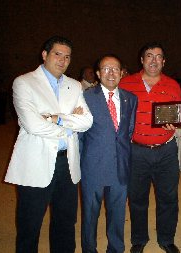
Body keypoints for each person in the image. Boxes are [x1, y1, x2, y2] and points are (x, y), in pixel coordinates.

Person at [4, 36, 93, 253]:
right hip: (36, 162)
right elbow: (33, 125)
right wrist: (72, 123)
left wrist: (56, 118)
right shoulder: (24, 82)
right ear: (44, 55)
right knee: (30, 225)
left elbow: (87, 121)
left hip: (67, 165)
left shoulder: (74, 85)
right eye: (57, 54)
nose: (62, 60)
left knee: (65, 223)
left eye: (67, 56)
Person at [119, 42, 181, 253]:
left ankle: (166, 239)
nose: (154, 60)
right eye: (149, 56)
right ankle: (139, 239)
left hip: (166, 151)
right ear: (142, 60)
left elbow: (180, 116)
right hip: (136, 151)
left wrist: (176, 122)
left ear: (164, 61)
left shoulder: (173, 85)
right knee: (137, 198)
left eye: (158, 56)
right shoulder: (126, 84)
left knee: (168, 198)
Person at [79, 55, 137, 252]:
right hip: (93, 166)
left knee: (117, 214)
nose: (111, 73)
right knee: (90, 214)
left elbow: (127, 132)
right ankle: (89, 249)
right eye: (106, 69)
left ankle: (115, 248)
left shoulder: (131, 99)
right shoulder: (85, 97)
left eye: (115, 69)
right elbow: (79, 136)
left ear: (122, 73)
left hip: (120, 166)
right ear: (97, 73)